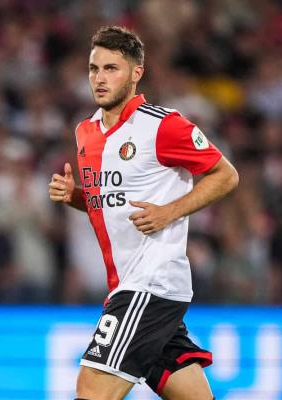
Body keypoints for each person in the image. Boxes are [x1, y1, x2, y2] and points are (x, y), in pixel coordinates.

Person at [48, 26, 239, 400]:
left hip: (150, 283)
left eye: (111, 68)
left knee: (92, 389)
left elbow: (226, 175)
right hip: (129, 284)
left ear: (136, 73)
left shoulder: (163, 125)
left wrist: (170, 211)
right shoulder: (85, 132)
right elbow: (108, 204)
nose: (100, 78)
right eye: (94, 68)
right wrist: (75, 196)